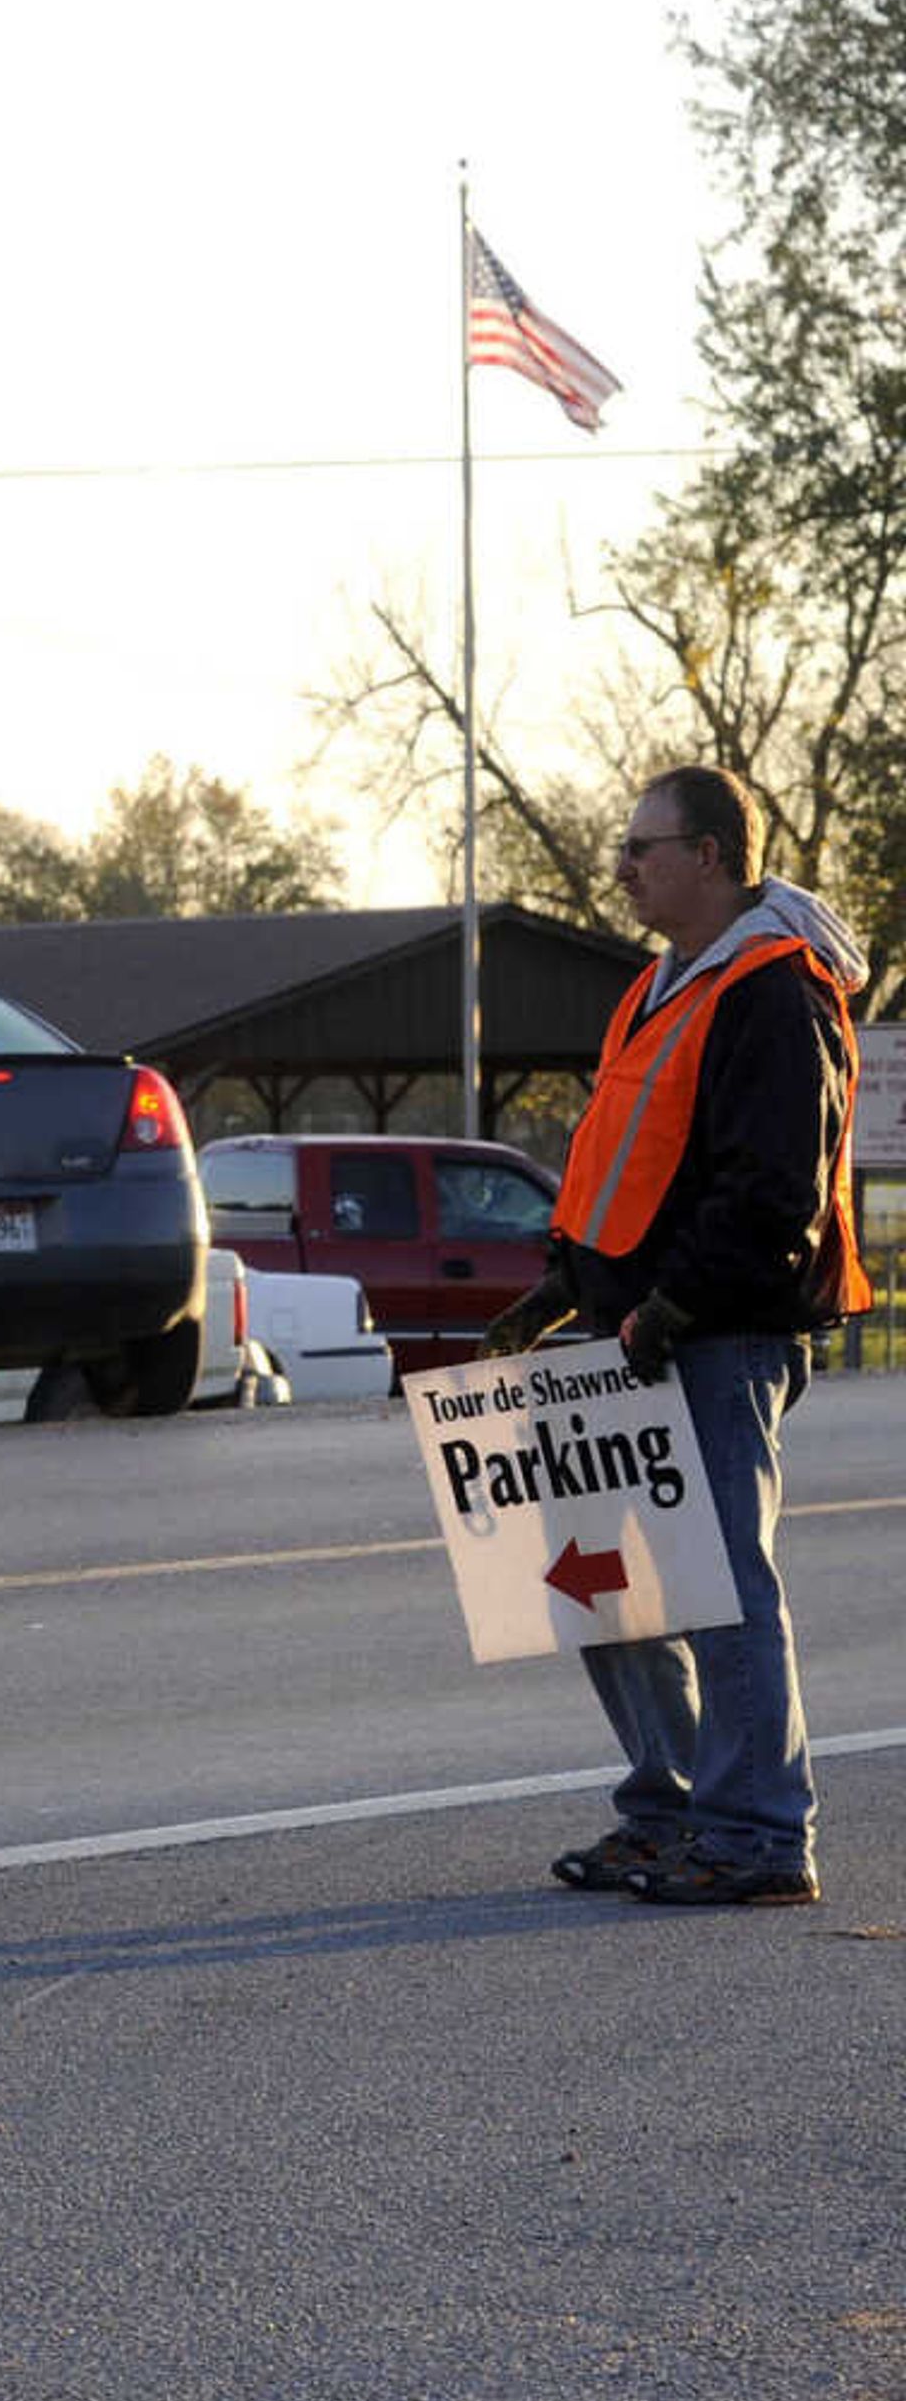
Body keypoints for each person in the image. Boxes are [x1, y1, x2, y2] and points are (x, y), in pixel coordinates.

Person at [484, 764, 867, 1910]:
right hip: (626, 1335)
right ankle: (671, 1808)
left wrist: (674, 1307)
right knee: (598, 1583)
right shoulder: (662, 983)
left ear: (711, 855)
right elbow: (620, 1160)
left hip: (718, 1336)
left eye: (644, 846)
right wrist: (556, 1289)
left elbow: (771, 1188)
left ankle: (758, 1832)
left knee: (722, 1583)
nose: (622, 864)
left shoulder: (772, 987)